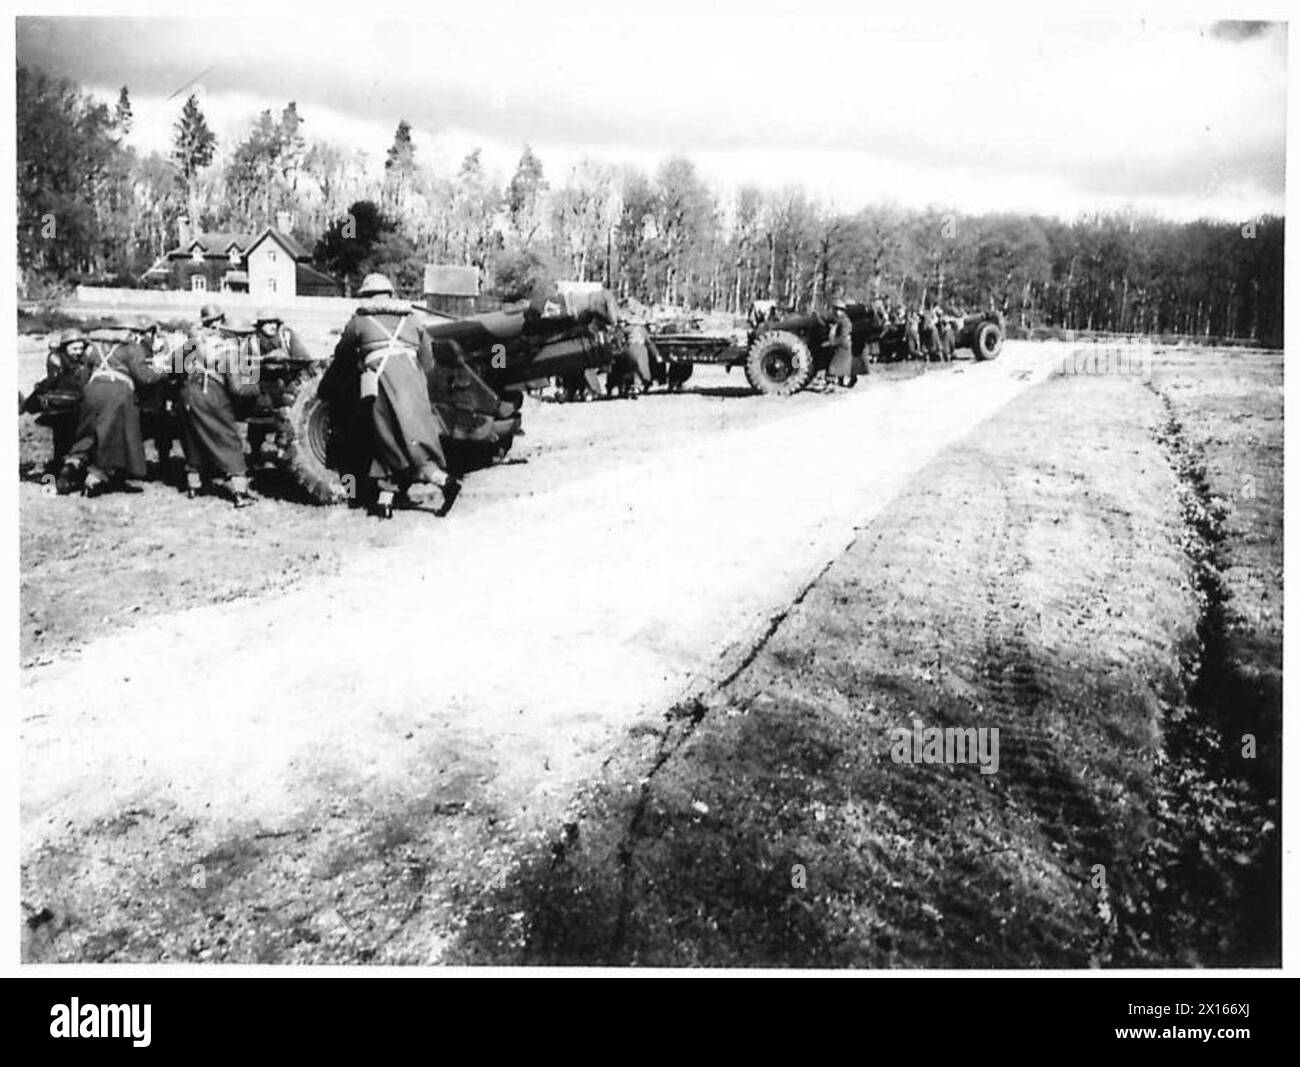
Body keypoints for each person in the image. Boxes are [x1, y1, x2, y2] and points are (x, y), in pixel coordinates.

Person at [323, 272, 450, 519]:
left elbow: (342, 355)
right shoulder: (412, 320)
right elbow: (428, 361)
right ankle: (422, 488)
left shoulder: (360, 321)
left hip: (382, 384)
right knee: (412, 440)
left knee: (385, 438)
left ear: (366, 297)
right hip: (414, 385)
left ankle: (406, 495)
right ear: (391, 295)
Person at [61, 324, 167, 496]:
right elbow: (145, 378)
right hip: (118, 395)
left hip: (92, 392)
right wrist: (165, 371)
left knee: (89, 433)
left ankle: (73, 463)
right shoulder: (131, 348)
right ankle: (96, 477)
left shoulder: (94, 348)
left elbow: (84, 377)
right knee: (114, 438)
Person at [176, 313, 259, 506]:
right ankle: (240, 492)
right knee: (228, 439)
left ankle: (193, 486)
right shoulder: (231, 351)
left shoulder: (196, 342)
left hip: (187, 394)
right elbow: (237, 388)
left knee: (193, 439)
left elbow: (174, 365)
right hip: (211, 395)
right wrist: (254, 387)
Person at [21, 329, 90, 477]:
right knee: (66, 440)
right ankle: (65, 470)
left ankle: (61, 469)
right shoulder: (75, 361)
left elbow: (51, 381)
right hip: (69, 406)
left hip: (63, 407)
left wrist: (39, 388)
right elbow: (54, 380)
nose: (78, 352)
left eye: (80, 348)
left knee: (62, 441)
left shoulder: (57, 358)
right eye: (74, 348)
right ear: (65, 347)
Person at [825, 298, 856, 388]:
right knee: (841, 366)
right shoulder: (840, 319)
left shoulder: (845, 321)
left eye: (838, 309)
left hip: (843, 345)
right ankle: (840, 381)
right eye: (836, 309)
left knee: (834, 366)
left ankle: (831, 385)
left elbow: (843, 336)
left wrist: (832, 342)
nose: (836, 311)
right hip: (841, 345)